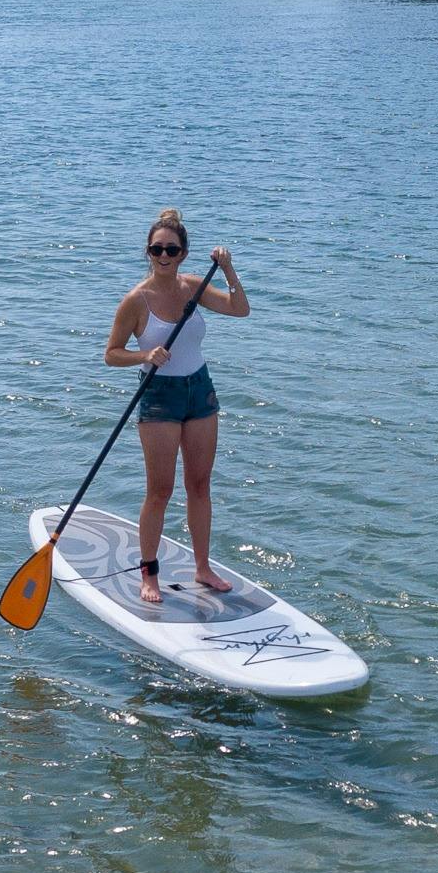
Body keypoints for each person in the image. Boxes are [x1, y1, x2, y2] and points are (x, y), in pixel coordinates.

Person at [104, 208, 250, 607]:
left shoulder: (192, 286)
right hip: (160, 397)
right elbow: (111, 354)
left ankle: (202, 567)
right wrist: (144, 355)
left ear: (184, 253)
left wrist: (228, 271)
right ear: (148, 252)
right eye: (156, 249)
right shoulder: (135, 300)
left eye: (171, 249)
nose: (164, 256)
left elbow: (240, 309)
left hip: (200, 392)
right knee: (161, 490)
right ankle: (149, 573)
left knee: (200, 486)